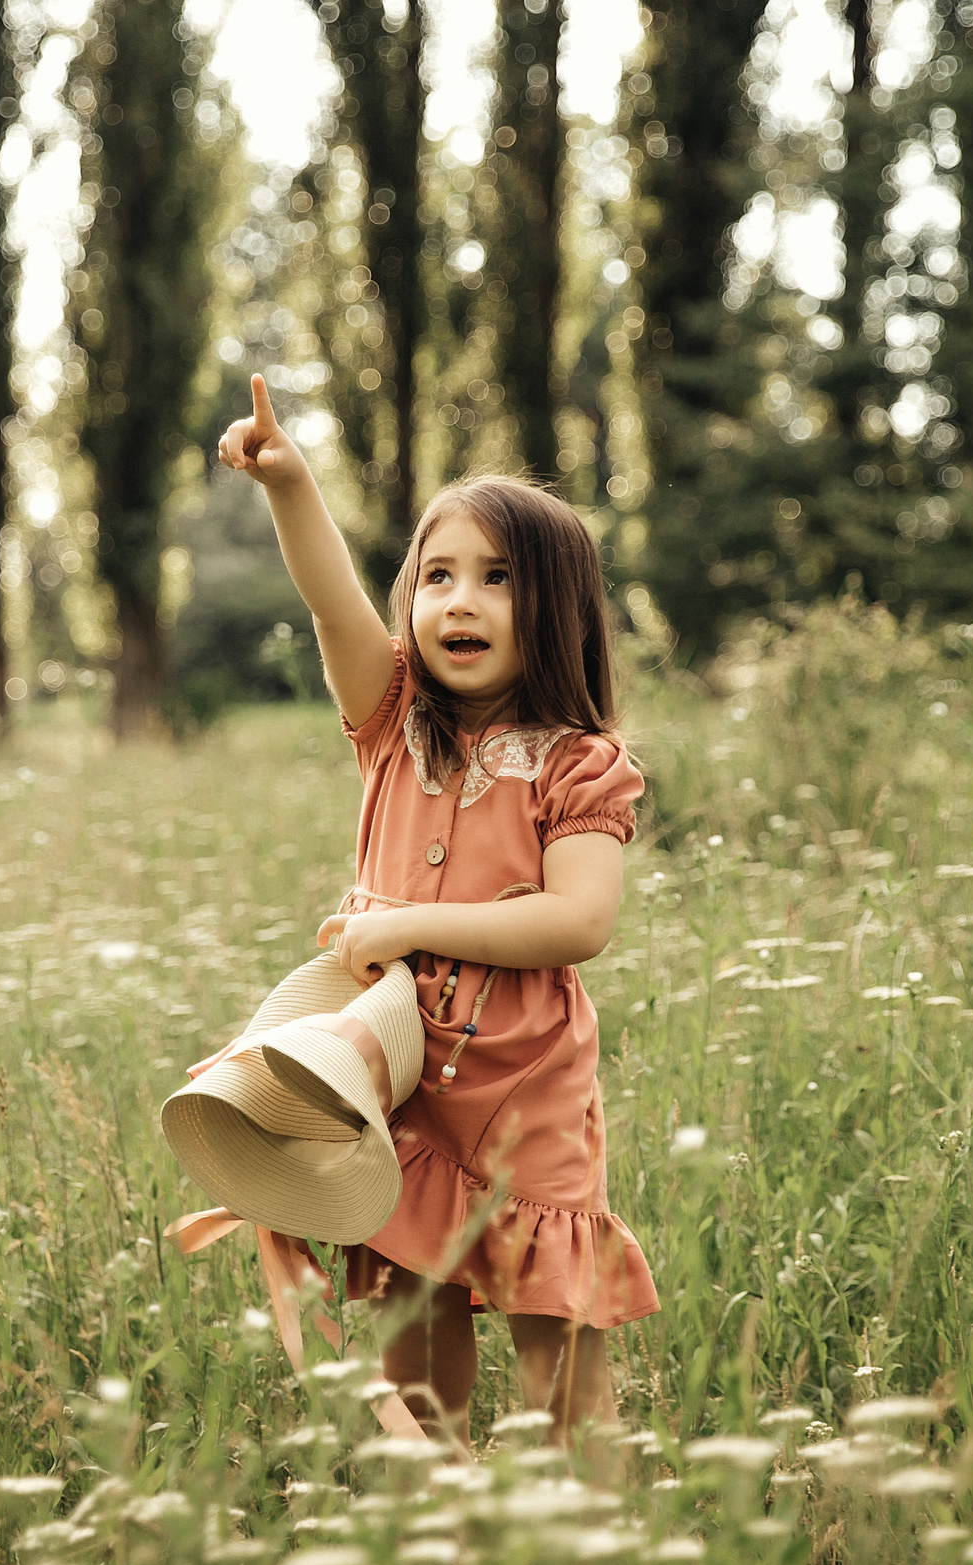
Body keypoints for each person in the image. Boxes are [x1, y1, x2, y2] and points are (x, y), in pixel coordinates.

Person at [208, 373, 657, 1441]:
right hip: (402, 1076)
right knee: (414, 1326)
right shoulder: (393, 722)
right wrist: (291, 485)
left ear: (557, 608)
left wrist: (410, 924)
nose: (460, 602)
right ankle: (442, 1511)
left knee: (556, 1335)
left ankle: (588, 1514)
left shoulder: (578, 765)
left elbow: (578, 922)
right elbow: (334, 603)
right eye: (438, 575)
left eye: (498, 579)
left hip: (524, 1090)